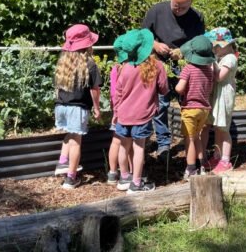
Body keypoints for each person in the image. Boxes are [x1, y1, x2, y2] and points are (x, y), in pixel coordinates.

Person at [141, 0, 205, 161]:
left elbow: (199, 42)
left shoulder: (197, 17)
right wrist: (155, 45)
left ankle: (190, 140)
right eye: (175, 5)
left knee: (188, 102)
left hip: (184, 64)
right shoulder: (156, 10)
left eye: (183, 7)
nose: (177, 9)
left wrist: (182, 51)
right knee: (161, 104)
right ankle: (163, 144)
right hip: (159, 62)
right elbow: (143, 34)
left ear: (190, 3)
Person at [112, 29, 168, 193]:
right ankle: (136, 184)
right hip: (142, 116)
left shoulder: (125, 68)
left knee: (124, 147)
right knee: (139, 149)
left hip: (123, 114)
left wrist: (116, 113)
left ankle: (124, 178)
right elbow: (164, 89)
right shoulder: (157, 66)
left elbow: (118, 94)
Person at [53, 24, 102, 189]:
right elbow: (95, 90)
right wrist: (97, 108)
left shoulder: (63, 62)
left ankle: (62, 162)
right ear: (87, 44)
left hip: (61, 106)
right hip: (77, 108)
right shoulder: (90, 64)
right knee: (76, 142)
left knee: (70, 135)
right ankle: (71, 178)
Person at [175, 35, 215, 180]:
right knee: (197, 137)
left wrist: (180, 85)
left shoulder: (188, 69)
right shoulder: (209, 71)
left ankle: (191, 169)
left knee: (189, 139)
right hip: (204, 109)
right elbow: (209, 90)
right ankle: (201, 165)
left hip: (190, 108)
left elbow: (179, 88)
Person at [203, 27, 238, 174]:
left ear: (224, 45)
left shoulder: (230, 58)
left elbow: (219, 77)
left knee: (223, 130)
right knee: (217, 127)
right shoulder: (221, 58)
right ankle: (217, 156)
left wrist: (211, 63)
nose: (214, 49)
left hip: (224, 96)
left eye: (215, 46)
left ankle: (225, 160)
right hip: (217, 95)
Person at [105, 49, 133, 185]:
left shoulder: (115, 69)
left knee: (116, 141)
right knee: (129, 144)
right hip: (129, 111)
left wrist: (115, 110)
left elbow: (113, 92)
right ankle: (129, 173)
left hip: (117, 109)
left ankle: (112, 172)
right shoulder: (132, 69)